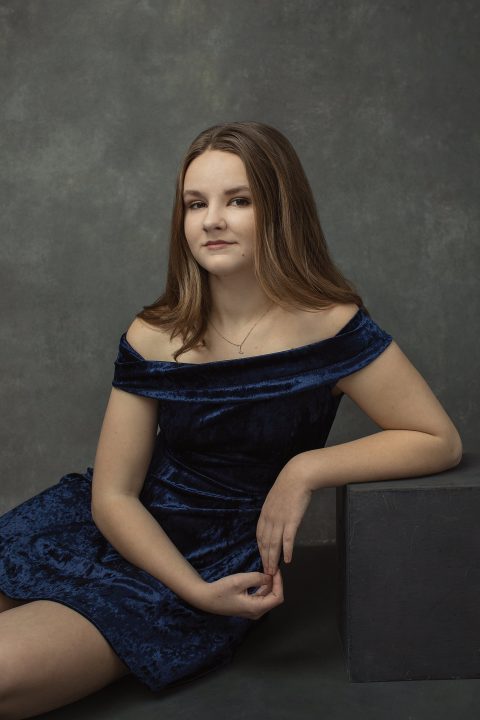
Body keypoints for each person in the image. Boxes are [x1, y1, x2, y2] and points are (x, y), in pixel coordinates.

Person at [0, 121, 462, 717]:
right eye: (196, 204)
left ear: (280, 212)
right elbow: (113, 496)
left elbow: (437, 438)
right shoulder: (154, 334)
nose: (211, 219)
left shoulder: (331, 328)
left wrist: (304, 469)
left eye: (237, 200)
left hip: (204, 564)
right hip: (105, 530)